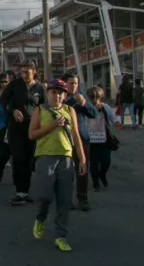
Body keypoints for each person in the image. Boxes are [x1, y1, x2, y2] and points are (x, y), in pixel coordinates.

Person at [29, 79, 87, 253]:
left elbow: (76, 136)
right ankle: (40, 218)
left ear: (65, 94)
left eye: (61, 92)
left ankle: (60, 236)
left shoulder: (70, 110)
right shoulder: (40, 110)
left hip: (66, 158)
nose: (58, 95)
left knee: (64, 199)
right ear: (48, 93)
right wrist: (52, 126)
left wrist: (82, 159)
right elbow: (32, 134)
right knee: (45, 195)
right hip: (45, 156)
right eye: (54, 92)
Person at [0, 62, 45, 206]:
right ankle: (19, 192)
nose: (24, 75)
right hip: (15, 128)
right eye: (22, 72)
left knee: (30, 159)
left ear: (34, 72)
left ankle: (25, 191)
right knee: (19, 158)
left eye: (27, 73)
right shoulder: (15, 85)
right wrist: (12, 111)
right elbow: (3, 100)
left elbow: (44, 107)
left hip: (32, 128)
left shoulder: (40, 88)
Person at [61, 73, 98, 212]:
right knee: (66, 171)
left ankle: (82, 198)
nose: (74, 86)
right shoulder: (60, 96)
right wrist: (71, 102)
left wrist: (84, 103)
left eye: (76, 83)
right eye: (71, 83)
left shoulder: (81, 95)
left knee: (82, 169)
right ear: (65, 84)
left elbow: (94, 113)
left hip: (81, 138)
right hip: (64, 138)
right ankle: (66, 199)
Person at [83, 86, 120, 191]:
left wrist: (117, 123)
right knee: (94, 163)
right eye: (92, 97)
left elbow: (112, 117)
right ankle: (96, 183)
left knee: (106, 162)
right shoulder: (85, 107)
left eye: (97, 97)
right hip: (91, 140)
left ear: (101, 97)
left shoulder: (105, 107)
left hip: (104, 139)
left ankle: (102, 175)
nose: (94, 100)